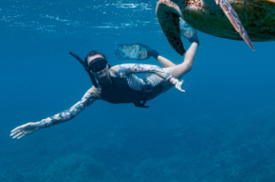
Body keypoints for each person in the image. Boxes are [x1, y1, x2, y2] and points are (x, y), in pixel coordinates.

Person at [10, 28, 199, 140]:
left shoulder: (120, 70)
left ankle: (194, 40)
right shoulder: (94, 93)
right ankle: (154, 52)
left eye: (102, 64)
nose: (100, 68)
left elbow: (150, 69)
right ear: (89, 70)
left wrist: (172, 80)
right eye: (94, 66)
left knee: (186, 66)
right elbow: (70, 113)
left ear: (108, 64)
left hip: (152, 82)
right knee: (175, 67)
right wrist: (40, 124)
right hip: (148, 96)